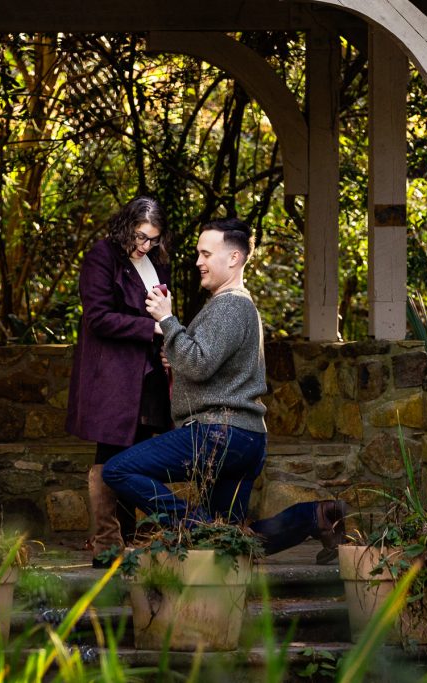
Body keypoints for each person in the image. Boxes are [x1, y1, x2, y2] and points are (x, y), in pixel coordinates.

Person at [102, 217, 345, 564]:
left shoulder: (231, 305)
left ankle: (200, 527)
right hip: (243, 439)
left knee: (118, 470)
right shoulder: (233, 305)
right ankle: (314, 516)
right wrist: (179, 357)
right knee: (229, 546)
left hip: (219, 432)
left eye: (205, 253)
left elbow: (199, 363)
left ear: (233, 258)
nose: (198, 261)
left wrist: (167, 320)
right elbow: (208, 362)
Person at [65, 196, 173, 568]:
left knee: (137, 456)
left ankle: (127, 542)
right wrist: (153, 327)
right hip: (112, 377)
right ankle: (107, 548)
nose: (145, 246)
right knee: (111, 454)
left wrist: (166, 336)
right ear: (126, 225)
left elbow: (163, 308)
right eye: (141, 237)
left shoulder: (155, 261)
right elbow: (98, 318)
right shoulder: (102, 256)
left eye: (153, 239)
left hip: (146, 376)